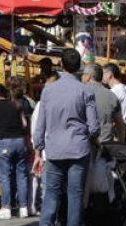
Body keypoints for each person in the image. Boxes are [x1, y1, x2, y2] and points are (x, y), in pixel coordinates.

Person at [32, 49, 99, 226]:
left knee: (52, 192)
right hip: (78, 148)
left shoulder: (48, 91)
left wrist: (38, 152)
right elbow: (94, 127)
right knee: (75, 194)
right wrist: (87, 135)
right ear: (79, 67)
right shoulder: (86, 91)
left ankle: (46, 223)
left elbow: (40, 125)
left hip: (54, 150)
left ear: (61, 64)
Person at [0, 83, 31, 219]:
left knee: (5, 176)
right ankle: (23, 208)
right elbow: (24, 124)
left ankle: (6, 208)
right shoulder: (15, 104)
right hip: (20, 142)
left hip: (5, 143)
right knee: (21, 175)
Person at [82, 64, 125, 144]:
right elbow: (120, 125)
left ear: (87, 77)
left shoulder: (80, 93)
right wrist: (120, 144)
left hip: (85, 145)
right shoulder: (111, 95)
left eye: (83, 74)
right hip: (106, 146)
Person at [103, 63, 126, 141]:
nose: (101, 76)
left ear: (110, 74)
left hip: (119, 133)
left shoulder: (114, 92)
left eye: (103, 73)